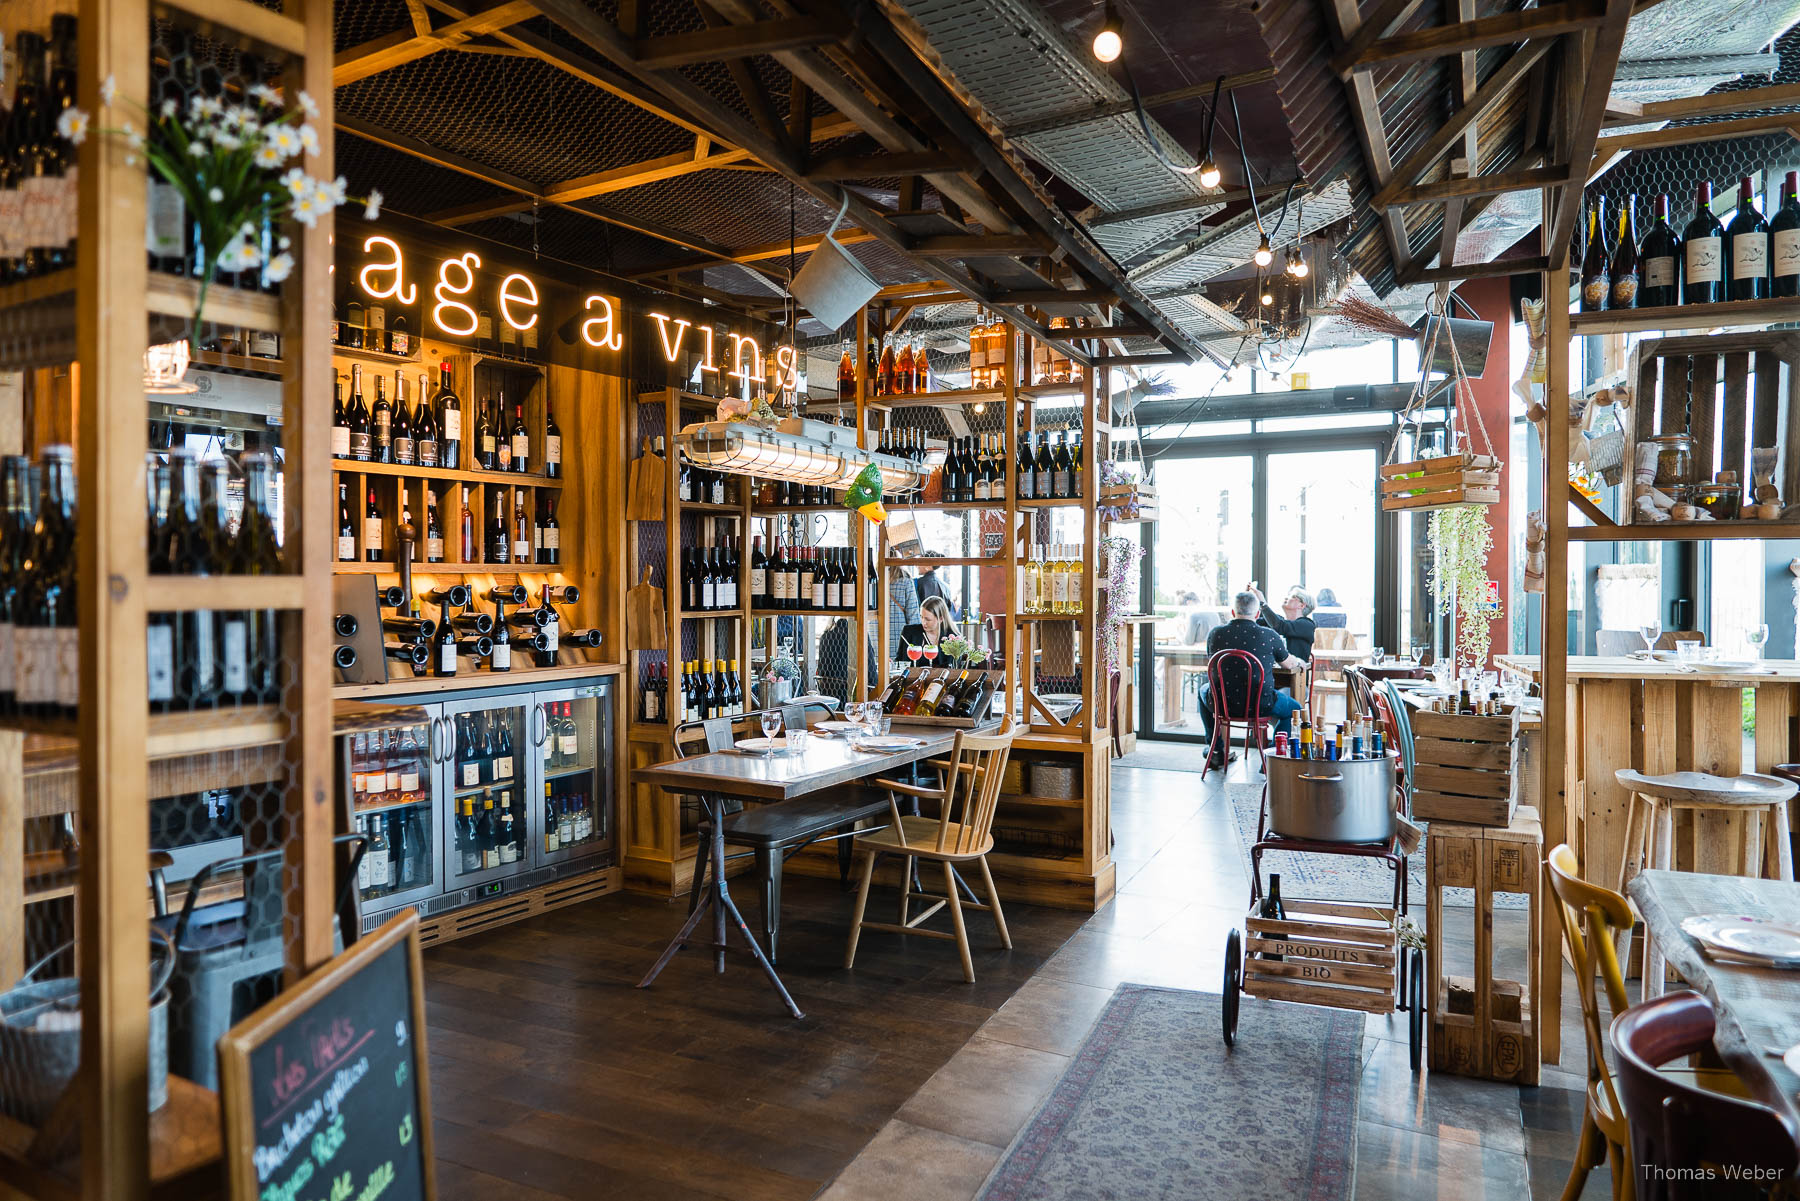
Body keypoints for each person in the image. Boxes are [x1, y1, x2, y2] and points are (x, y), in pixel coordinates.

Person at [1199, 591, 1305, 768]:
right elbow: (1288, 664)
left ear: (1233, 612)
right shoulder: (1269, 635)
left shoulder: (1215, 634)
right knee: (1295, 710)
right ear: (1257, 614)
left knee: (1203, 691)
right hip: (1260, 704)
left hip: (1223, 704)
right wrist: (1298, 661)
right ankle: (1273, 760)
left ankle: (1216, 749)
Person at [1252, 584, 1317, 663]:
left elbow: (1279, 626)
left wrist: (1262, 604)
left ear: (1302, 605)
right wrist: (1249, 600)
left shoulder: (1307, 625)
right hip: (1275, 671)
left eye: (1293, 596)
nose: (1287, 597)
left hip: (1295, 673)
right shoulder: (1280, 621)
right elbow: (1254, 621)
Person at [913, 551, 959, 617]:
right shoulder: (946, 587)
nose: (916, 566)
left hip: (923, 625)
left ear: (928, 566)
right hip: (941, 626)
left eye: (920, 562)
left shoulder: (916, 583)